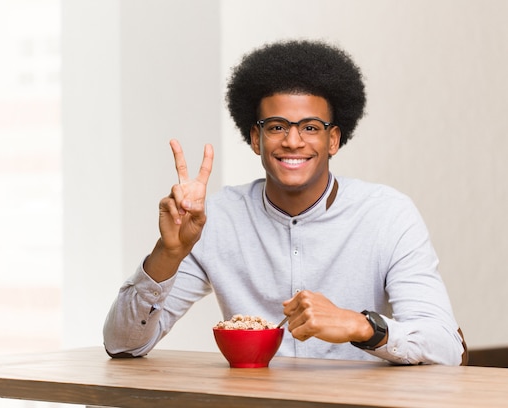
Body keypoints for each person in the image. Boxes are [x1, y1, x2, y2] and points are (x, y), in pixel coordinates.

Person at [103, 39, 467, 365]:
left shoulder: (388, 215)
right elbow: (122, 345)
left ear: (334, 140)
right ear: (256, 138)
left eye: (310, 127)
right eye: (277, 126)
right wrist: (168, 254)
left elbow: (446, 347)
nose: (293, 141)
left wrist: (360, 325)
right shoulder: (214, 220)